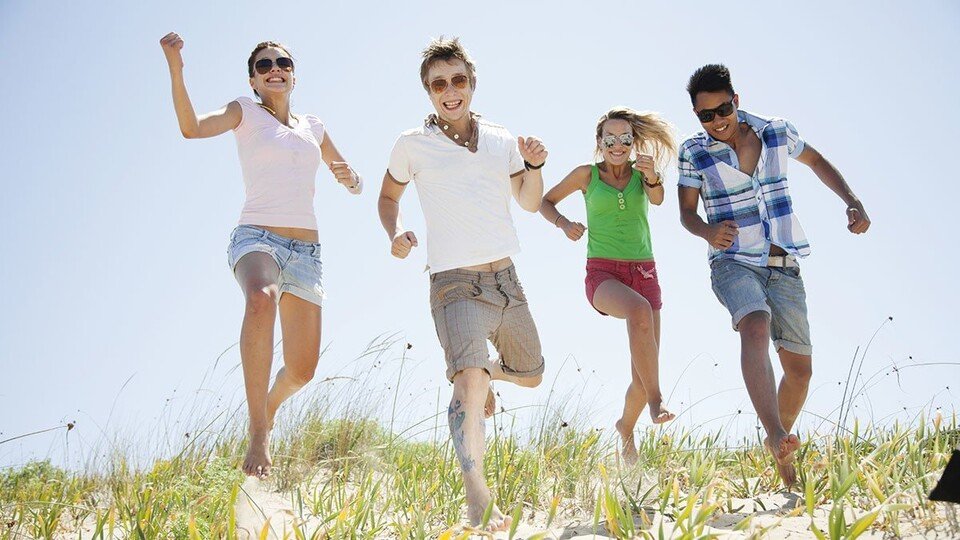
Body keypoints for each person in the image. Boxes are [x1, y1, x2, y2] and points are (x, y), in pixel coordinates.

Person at [159, 32, 362, 478]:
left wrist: (351, 180)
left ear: (293, 74)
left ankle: (269, 408)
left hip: (306, 251)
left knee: (303, 370)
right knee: (261, 297)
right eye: (264, 65)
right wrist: (176, 67)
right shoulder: (244, 111)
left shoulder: (314, 127)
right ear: (253, 80)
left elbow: (351, 180)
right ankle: (257, 433)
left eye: (283, 63)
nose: (275, 69)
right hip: (257, 237)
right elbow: (191, 127)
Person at [377, 37, 547, 531]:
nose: (449, 91)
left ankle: (487, 375)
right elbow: (388, 198)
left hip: (506, 279)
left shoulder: (500, 138)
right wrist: (395, 233)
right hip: (454, 282)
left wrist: (533, 167)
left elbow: (530, 202)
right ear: (428, 92)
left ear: (472, 83)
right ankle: (478, 496)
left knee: (532, 372)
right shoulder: (412, 144)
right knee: (468, 381)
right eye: (438, 84)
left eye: (457, 80)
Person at [676, 64, 871, 486]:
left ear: (736, 101)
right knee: (755, 325)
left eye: (722, 109)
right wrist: (708, 231)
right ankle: (776, 434)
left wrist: (851, 199)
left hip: (784, 265)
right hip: (732, 262)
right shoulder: (694, 151)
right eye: (705, 115)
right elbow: (687, 214)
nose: (716, 121)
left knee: (800, 370)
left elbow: (816, 161)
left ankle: (782, 453)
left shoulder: (776, 131)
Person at [539, 107, 676, 465]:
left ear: (634, 143)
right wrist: (563, 223)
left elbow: (659, 200)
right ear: (600, 143)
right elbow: (545, 200)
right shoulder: (587, 175)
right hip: (603, 274)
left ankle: (626, 428)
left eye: (625, 139)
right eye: (610, 139)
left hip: (644, 273)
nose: (618, 145)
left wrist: (653, 177)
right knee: (638, 311)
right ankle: (658, 401)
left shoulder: (642, 173)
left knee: (641, 377)